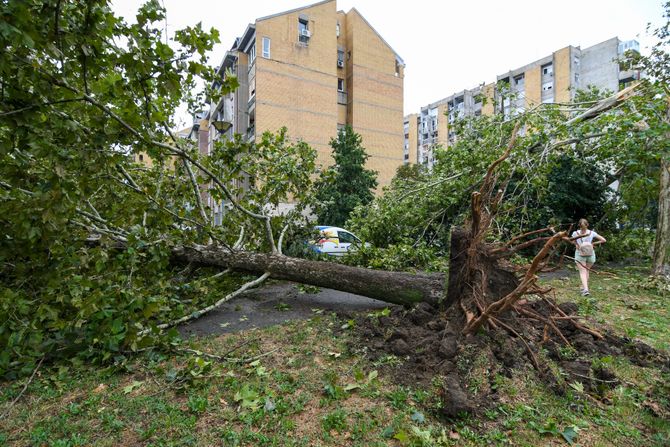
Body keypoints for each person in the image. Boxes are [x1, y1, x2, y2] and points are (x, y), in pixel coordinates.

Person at [569, 218, 606, 296]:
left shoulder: (575, 233)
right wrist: (593, 244)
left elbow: (571, 240)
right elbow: (603, 240)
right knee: (586, 271)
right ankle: (584, 287)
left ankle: (585, 290)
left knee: (582, 272)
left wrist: (576, 244)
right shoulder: (592, 233)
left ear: (579, 225)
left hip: (580, 254)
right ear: (587, 225)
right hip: (591, 254)